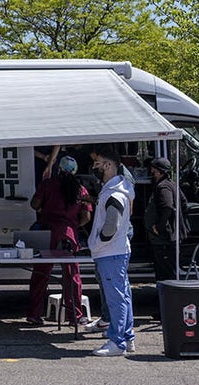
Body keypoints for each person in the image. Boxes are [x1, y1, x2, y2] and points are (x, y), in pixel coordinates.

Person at [27, 148, 96, 330]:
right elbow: (87, 217)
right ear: (74, 171)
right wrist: (73, 225)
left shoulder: (48, 184)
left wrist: (44, 211)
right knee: (72, 276)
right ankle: (75, 316)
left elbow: (34, 204)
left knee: (41, 274)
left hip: (47, 233)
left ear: (58, 169)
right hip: (68, 235)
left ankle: (34, 314)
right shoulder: (81, 190)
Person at [89, 151, 137, 355]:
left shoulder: (114, 194)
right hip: (117, 250)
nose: (94, 168)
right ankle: (127, 338)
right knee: (123, 295)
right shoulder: (120, 189)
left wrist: (99, 241)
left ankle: (117, 342)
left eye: (97, 164)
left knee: (116, 298)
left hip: (110, 252)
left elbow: (111, 226)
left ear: (108, 165)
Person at [145, 156, 182, 281]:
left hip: (164, 239)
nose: (151, 172)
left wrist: (159, 227)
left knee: (165, 272)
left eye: (154, 170)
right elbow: (184, 203)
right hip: (167, 237)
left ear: (159, 171)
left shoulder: (163, 188)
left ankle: (167, 298)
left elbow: (167, 207)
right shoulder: (172, 184)